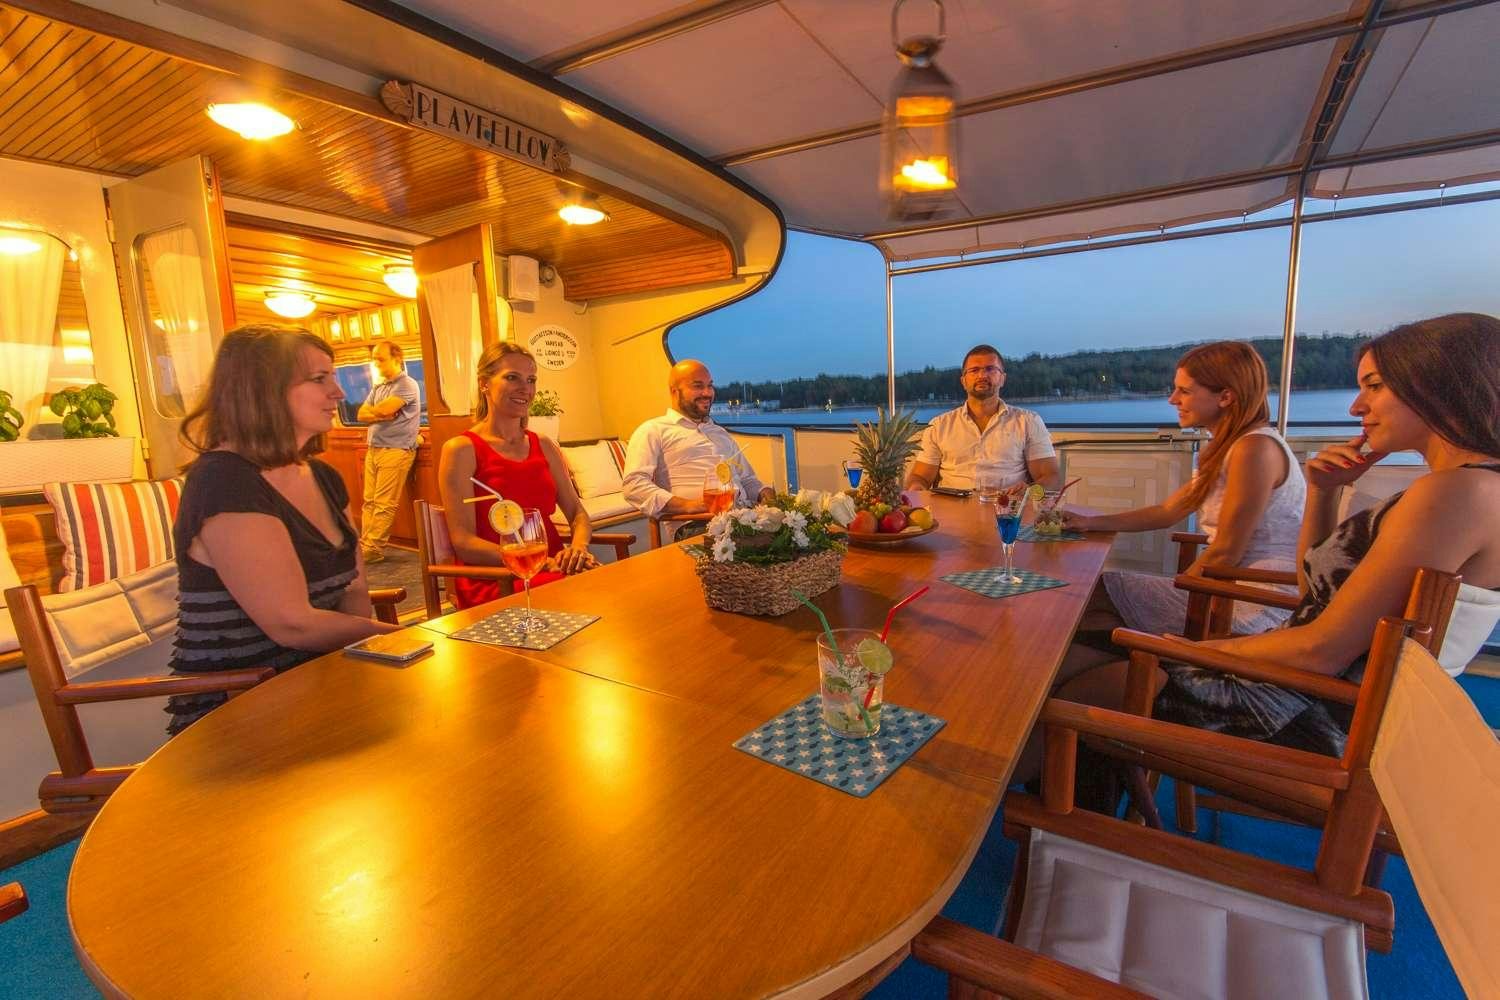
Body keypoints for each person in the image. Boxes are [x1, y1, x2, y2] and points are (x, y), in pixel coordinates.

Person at [1061, 313, 1500, 768]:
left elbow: (1322, 649)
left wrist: (1193, 649)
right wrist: (1323, 493)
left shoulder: (1455, 495)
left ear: (1437, 383)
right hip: (1315, 689)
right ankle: (1082, 820)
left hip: (1306, 713)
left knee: (1072, 685)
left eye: (1373, 386)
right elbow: (1316, 595)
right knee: (1079, 661)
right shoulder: (1468, 490)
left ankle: (1058, 817)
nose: (1356, 407)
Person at [168, 325, 399, 735]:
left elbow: (353, 594)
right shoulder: (224, 480)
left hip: (320, 685)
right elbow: (291, 623)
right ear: (261, 389)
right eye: (318, 379)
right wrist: (401, 638)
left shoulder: (325, 477)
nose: (339, 393)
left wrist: (368, 673)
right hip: (240, 704)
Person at [1064, 341, 1306, 638]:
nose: (1172, 399)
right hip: (1227, 582)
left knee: (1085, 600)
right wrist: (1089, 523)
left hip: (1256, 598)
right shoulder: (1229, 447)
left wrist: (1182, 586)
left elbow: (1227, 552)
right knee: (1089, 605)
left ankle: (1153, 668)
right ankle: (1127, 671)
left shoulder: (1254, 449)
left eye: (1185, 391)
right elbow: (1168, 511)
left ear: (1226, 397)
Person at [437, 341, 598, 609]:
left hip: (553, 567)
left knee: (610, 583)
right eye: (512, 377)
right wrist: (539, 562)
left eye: (531, 380)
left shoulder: (543, 444)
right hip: (497, 578)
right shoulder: (461, 450)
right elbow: (464, 542)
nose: (526, 388)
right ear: (484, 383)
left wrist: (578, 550)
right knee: (595, 591)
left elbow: (577, 514)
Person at [621, 359, 775, 528]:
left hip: (744, 516)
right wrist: (689, 505)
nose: (707, 393)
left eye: (710, 386)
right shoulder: (653, 430)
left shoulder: (720, 433)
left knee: (798, 532)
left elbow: (748, 480)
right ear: (674, 391)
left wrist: (764, 494)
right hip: (699, 524)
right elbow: (634, 486)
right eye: (698, 386)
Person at [905, 344, 1062, 492]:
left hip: (1007, 513)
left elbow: (1051, 478)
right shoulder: (939, 425)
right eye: (974, 370)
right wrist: (916, 489)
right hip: (950, 513)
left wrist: (1029, 493)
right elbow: (920, 477)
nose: (982, 375)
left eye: (990, 369)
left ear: (1002, 378)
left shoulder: (1027, 421)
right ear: (963, 381)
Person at [356, 340, 421, 563]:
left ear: (397, 359)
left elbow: (386, 409)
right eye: (374, 359)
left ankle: (373, 549)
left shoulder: (407, 384)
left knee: (384, 503)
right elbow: (361, 415)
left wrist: (380, 412)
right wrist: (380, 414)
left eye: (380, 359)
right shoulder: (379, 386)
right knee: (369, 501)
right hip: (374, 448)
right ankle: (365, 545)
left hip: (396, 449)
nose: (376, 364)